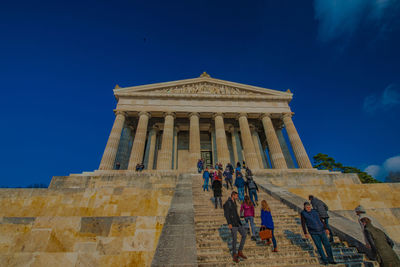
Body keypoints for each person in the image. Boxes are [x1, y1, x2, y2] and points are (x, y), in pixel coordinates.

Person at [223, 191, 247, 263]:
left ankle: (240, 251)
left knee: (244, 234)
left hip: (238, 222)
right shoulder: (228, 203)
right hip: (232, 223)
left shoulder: (234, 202)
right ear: (233, 195)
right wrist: (229, 223)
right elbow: (226, 214)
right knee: (235, 239)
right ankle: (234, 255)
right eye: (236, 196)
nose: (237, 197)